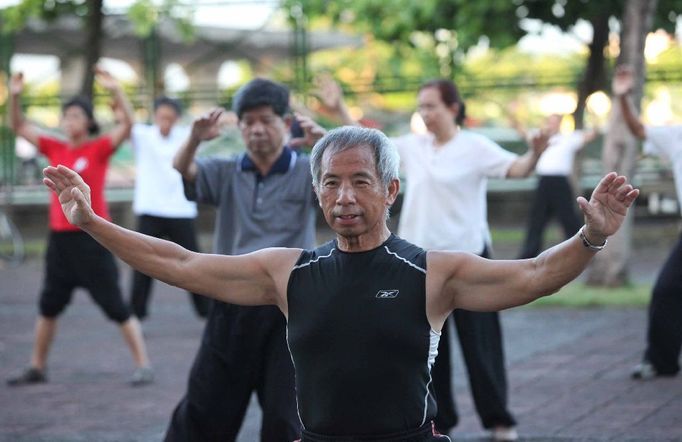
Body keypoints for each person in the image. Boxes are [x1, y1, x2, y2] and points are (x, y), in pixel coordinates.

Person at [43, 125, 638, 442]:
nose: (344, 197)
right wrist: (94, 222)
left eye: (360, 181)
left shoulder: (434, 272)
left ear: (391, 190)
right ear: (317, 190)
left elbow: (534, 275)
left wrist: (590, 238)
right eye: (330, 183)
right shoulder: (287, 272)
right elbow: (180, 264)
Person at [319, 77, 548, 440]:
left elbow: (518, 169)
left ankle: (499, 421)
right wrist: (339, 109)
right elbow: (370, 146)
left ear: (453, 108)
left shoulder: (475, 146)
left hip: (468, 258)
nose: (424, 113)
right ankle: (441, 423)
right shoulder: (412, 146)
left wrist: (535, 152)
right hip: (420, 265)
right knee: (425, 350)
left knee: (482, 348)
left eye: (431, 106)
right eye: (421, 106)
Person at [167, 78, 324, 441]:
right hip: (231, 299)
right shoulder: (226, 170)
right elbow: (183, 168)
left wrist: (324, 147)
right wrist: (193, 138)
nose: (256, 129)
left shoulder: (309, 171)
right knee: (204, 410)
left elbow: (350, 187)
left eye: (265, 120)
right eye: (247, 121)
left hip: (290, 306)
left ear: (286, 124)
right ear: (238, 127)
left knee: (287, 418)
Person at [6, 68, 153, 386]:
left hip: (93, 241)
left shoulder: (98, 148)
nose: (69, 120)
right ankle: (37, 367)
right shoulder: (55, 148)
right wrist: (14, 95)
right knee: (48, 306)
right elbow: (17, 125)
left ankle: (143, 365)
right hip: (60, 243)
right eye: (66, 115)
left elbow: (127, 124)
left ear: (88, 121)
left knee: (116, 306)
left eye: (75, 115)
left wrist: (116, 91)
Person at [613, 65, 682, 380]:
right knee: (666, 291)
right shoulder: (675, 136)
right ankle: (662, 361)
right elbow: (638, 129)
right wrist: (624, 97)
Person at [128, 96, 209, 320]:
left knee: (194, 263)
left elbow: (204, 136)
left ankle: (206, 311)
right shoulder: (143, 136)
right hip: (150, 210)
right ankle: (136, 313)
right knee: (141, 263)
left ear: (176, 119)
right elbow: (126, 119)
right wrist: (116, 91)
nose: (165, 122)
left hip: (180, 210)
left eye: (169, 118)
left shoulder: (185, 136)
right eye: (161, 117)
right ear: (155, 116)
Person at [510, 113, 599, 259]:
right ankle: (528, 254)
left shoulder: (569, 138)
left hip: (560, 182)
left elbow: (590, 135)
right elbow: (523, 132)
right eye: (550, 122)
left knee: (569, 218)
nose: (552, 125)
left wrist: (595, 118)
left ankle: (581, 251)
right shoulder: (540, 138)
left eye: (555, 122)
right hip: (544, 182)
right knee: (537, 219)